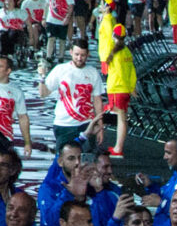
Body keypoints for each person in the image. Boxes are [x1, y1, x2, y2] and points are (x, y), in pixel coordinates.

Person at [41, 41, 104, 152]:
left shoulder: (93, 72)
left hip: (86, 124)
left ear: (88, 54)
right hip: (64, 124)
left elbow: (97, 101)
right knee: (63, 161)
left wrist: (100, 126)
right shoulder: (60, 69)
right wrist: (41, 77)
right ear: (71, 52)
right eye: (76, 54)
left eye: (83, 55)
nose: (79, 58)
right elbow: (43, 93)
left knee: (86, 162)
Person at [105, 25, 137, 159]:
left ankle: (118, 148)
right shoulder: (127, 52)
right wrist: (131, 87)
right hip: (124, 89)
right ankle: (118, 147)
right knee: (121, 118)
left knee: (121, 119)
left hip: (117, 89)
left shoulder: (116, 53)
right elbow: (132, 72)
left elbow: (119, 73)